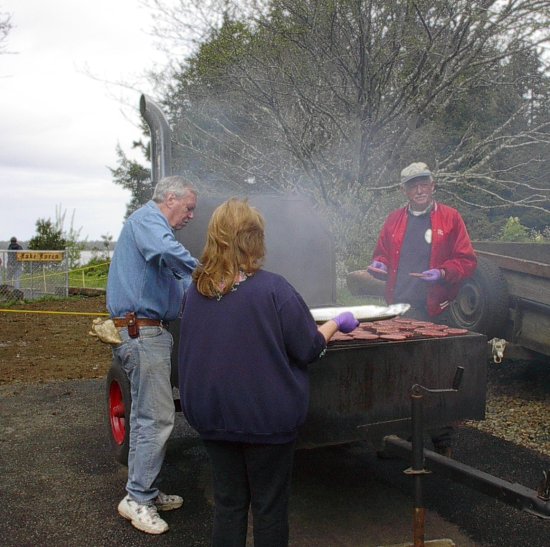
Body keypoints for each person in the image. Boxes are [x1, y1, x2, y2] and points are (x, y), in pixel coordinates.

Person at [178, 198, 359, 547]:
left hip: (213, 418)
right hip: (266, 421)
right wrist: (338, 322)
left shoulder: (196, 292)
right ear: (255, 239)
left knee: (228, 506)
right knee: (269, 510)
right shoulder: (274, 289)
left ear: (214, 238)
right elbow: (308, 348)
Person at [107, 175, 200, 535]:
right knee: (157, 418)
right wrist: (204, 269)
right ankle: (137, 499)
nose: (191, 215)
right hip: (142, 332)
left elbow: (184, 289)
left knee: (146, 416)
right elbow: (171, 257)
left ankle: (144, 489)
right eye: (189, 207)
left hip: (149, 332)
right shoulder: (149, 222)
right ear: (170, 198)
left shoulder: (159, 239)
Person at [367, 162, 477, 456]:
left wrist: (442, 273)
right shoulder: (393, 221)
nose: (419, 189)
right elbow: (382, 256)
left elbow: (467, 261)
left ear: (432, 185)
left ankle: (443, 443)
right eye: (413, 185)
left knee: (433, 374)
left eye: (424, 183)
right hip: (397, 308)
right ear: (404, 190)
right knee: (398, 371)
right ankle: (400, 439)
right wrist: (379, 265)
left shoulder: (451, 218)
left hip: (433, 309)